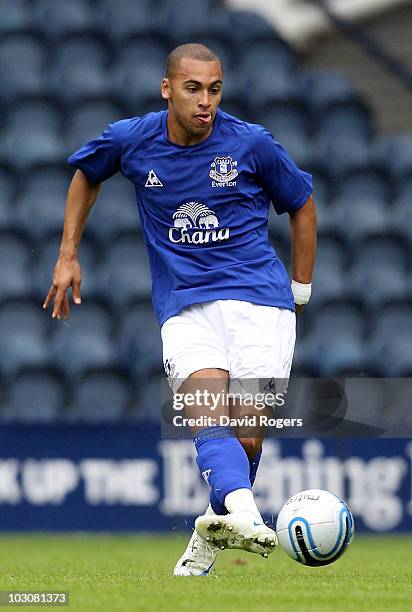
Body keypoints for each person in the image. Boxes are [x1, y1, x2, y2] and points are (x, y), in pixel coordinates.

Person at [43, 43, 317, 576]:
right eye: (193, 89)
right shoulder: (132, 139)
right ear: (167, 89)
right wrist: (67, 255)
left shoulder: (252, 144)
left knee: (247, 435)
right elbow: (85, 175)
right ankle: (247, 515)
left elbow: (301, 203)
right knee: (206, 413)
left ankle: (209, 529)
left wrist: (300, 290)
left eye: (214, 90)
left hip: (261, 301)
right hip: (185, 305)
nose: (205, 102)